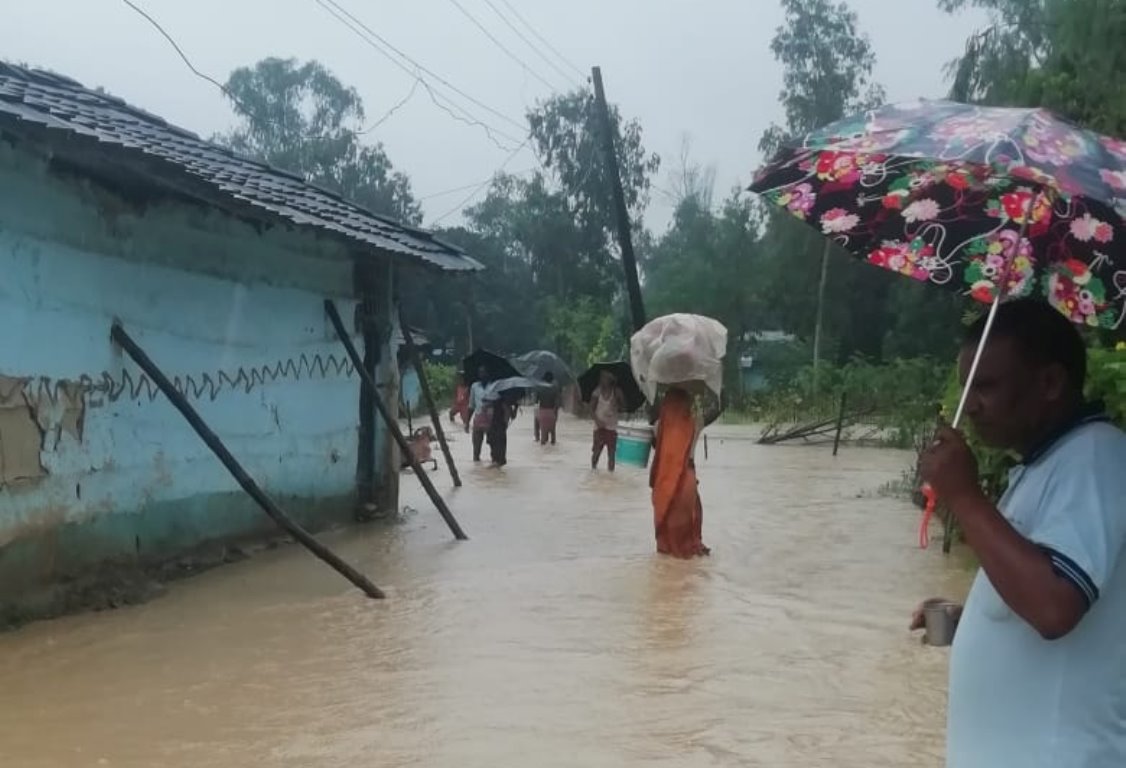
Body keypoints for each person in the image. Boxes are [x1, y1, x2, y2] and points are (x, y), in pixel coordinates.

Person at [912, 298, 1126, 768]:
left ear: (1049, 382)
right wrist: (977, 617)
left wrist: (965, 496)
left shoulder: (1095, 458)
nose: (969, 406)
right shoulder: (1046, 464)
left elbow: (1054, 606)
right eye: (966, 387)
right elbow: (1041, 586)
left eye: (985, 386)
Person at [649, 385, 719, 558]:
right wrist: (713, 388)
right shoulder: (696, 421)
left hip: (665, 481)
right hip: (687, 479)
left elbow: (655, 448)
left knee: (667, 543)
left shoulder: (659, 426)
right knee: (687, 540)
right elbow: (716, 409)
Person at [591, 371, 625, 471]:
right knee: (596, 452)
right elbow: (591, 410)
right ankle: (593, 470)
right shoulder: (597, 392)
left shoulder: (617, 392)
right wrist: (597, 421)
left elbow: (623, 407)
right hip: (599, 427)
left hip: (612, 427)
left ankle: (610, 475)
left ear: (610, 380)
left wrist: (619, 402)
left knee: (611, 454)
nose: (601, 380)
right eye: (601, 378)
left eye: (604, 378)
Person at [486, 393, 517, 467]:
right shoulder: (506, 403)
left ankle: (495, 463)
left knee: (495, 456)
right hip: (500, 430)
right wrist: (516, 407)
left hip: (492, 429)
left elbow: (487, 415)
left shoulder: (490, 402)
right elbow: (512, 416)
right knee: (500, 458)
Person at [468, 366, 491, 462]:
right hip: (478, 418)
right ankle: (476, 462)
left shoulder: (494, 385)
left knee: (493, 446)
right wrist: (466, 422)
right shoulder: (474, 386)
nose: (482, 375)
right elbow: (471, 405)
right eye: (480, 372)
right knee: (476, 448)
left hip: (491, 419)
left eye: (484, 372)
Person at [537, 372, 561, 445]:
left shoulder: (540, 388)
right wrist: (555, 412)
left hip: (542, 410)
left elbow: (536, 401)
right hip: (552, 411)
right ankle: (553, 449)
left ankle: (543, 449)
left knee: (543, 433)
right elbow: (557, 402)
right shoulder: (555, 388)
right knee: (553, 432)